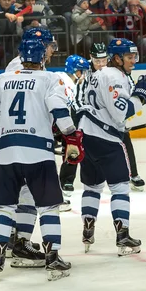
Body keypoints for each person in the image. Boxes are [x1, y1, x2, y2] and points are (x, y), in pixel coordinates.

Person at [0, 39, 84, 282]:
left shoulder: (1, 79)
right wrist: (72, 135)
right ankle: (52, 258)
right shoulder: (49, 79)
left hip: (5, 152)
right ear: (42, 58)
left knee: (4, 206)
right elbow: (59, 111)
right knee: (49, 206)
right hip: (38, 152)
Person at [77, 38, 146, 255]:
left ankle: (88, 229)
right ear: (117, 58)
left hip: (87, 137)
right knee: (120, 187)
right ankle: (122, 235)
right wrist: (141, 97)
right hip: (107, 139)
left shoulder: (95, 75)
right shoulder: (114, 76)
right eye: (129, 57)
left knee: (92, 187)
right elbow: (120, 112)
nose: (133, 61)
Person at [58, 55, 91, 207]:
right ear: (77, 72)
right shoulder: (67, 83)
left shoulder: (64, 80)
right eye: (83, 72)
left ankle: (55, 197)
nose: (84, 76)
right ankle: (54, 199)